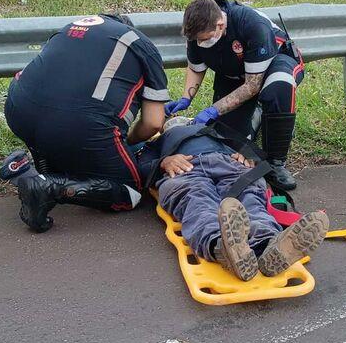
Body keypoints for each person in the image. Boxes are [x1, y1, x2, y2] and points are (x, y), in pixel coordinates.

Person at [3, 14, 169, 233]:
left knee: (65, 147)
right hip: (79, 124)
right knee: (130, 192)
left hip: (18, 110)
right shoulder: (141, 44)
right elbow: (153, 123)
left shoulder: (67, 28)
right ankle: (50, 188)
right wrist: (126, 142)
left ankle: (30, 172)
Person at [137, 117, 329, 281]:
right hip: (186, 169)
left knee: (250, 195)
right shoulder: (158, 142)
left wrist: (246, 156)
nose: (179, 121)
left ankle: (269, 245)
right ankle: (222, 247)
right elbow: (138, 168)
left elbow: (251, 150)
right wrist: (163, 162)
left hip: (229, 165)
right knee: (197, 201)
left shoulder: (214, 130)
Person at [165, 0, 304, 191]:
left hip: (274, 63)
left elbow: (252, 86)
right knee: (230, 141)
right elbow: (196, 68)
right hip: (234, 72)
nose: (200, 43)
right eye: (197, 40)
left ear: (220, 25)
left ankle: (275, 162)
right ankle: (258, 121)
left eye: (205, 39)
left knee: (278, 88)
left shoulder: (252, 25)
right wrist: (186, 98)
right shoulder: (197, 32)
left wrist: (213, 109)